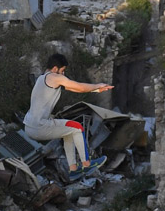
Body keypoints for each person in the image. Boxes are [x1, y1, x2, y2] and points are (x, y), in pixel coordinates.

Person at [24, 53, 111, 181]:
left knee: (69, 132)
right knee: (77, 127)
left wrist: (96, 90)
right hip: (40, 126)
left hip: (30, 126)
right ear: (55, 69)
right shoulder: (54, 77)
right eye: (62, 71)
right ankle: (86, 164)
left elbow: (74, 88)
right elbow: (80, 87)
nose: (63, 74)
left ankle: (73, 169)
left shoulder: (42, 78)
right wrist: (97, 86)